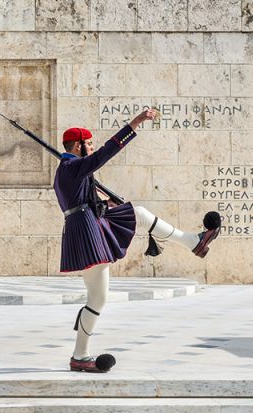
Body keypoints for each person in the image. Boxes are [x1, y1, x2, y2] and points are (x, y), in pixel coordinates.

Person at [54, 108, 220, 373]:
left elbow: (81, 200)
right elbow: (107, 151)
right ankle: (79, 356)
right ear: (78, 146)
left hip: (90, 223)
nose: (93, 147)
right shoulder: (72, 166)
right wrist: (136, 123)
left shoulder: (68, 169)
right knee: (97, 298)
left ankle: (193, 241)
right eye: (89, 144)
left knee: (139, 215)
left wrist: (103, 202)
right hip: (87, 232)